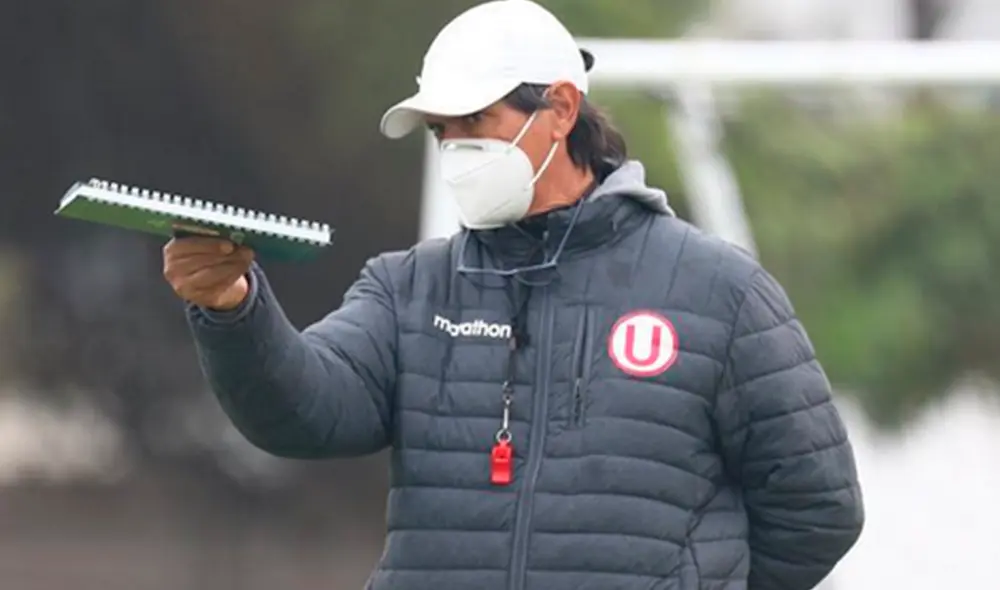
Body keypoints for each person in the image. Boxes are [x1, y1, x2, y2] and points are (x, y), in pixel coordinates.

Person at [163, 1, 864, 589]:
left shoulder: (721, 290)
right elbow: (301, 414)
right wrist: (233, 307)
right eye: (442, 132)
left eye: (476, 123)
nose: (455, 148)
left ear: (560, 109)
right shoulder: (406, 287)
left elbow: (818, 507)